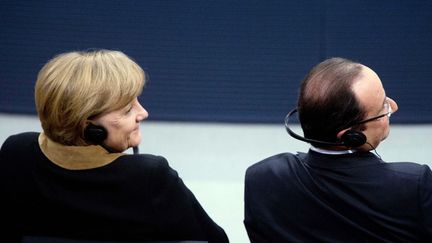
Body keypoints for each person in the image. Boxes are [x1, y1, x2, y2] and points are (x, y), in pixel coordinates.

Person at [0, 49, 229, 243]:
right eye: (128, 109)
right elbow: (213, 240)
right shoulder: (150, 178)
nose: (143, 113)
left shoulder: (16, 152)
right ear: (88, 127)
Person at [244, 57, 432, 242]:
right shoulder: (413, 185)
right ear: (350, 136)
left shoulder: (260, 179)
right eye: (383, 108)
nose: (394, 107)